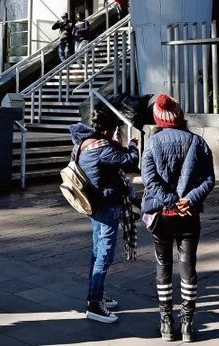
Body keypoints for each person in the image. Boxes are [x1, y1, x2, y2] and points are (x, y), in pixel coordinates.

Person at [141, 93, 215, 342]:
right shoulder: (198, 142)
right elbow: (209, 180)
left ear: (158, 119)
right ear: (180, 116)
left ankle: (165, 323)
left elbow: (149, 181)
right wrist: (188, 200)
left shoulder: (151, 143)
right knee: (188, 266)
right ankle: (187, 325)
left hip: (161, 216)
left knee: (163, 266)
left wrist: (171, 201)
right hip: (189, 216)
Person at [70, 105, 140, 324]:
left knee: (96, 251)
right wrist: (132, 145)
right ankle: (95, 304)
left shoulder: (84, 143)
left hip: (94, 204)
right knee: (105, 255)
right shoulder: (103, 147)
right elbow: (130, 161)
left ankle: (95, 294)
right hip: (106, 205)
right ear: (109, 130)